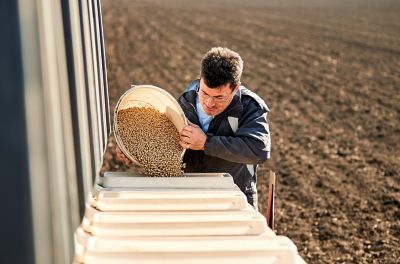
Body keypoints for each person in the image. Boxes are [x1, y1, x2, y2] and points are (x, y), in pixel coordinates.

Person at [117, 47, 271, 209]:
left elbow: (258, 150)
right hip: (190, 194)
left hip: (232, 197)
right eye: (204, 93)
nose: (209, 103)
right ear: (200, 80)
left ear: (235, 88)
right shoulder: (187, 99)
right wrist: (134, 149)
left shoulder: (249, 106)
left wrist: (206, 143)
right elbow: (169, 140)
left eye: (219, 97)